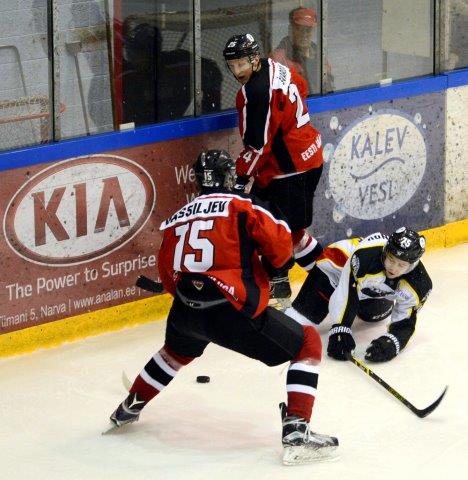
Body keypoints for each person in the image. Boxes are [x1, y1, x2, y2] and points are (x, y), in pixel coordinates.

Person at [107, 149, 338, 465]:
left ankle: (128, 407)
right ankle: (297, 431)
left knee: (173, 354)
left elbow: (167, 270)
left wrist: (191, 300)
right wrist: (270, 269)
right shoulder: (244, 205)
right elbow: (281, 247)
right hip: (232, 310)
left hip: (186, 309)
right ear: (229, 177)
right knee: (307, 343)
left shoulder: (178, 217)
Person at [222, 33, 324, 308]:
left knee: (277, 232)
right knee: (290, 231)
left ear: (255, 59)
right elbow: (302, 87)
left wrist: (241, 177)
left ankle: (281, 289)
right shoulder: (276, 66)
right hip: (308, 157)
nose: (238, 71)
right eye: (232, 66)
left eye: (242, 64)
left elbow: (258, 144)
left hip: (290, 171)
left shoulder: (254, 92)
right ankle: (330, 277)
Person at [285, 228, 432, 362]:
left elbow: (406, 320)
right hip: (337, 269)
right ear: (385, 251)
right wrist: (340, 329)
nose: (393, 268)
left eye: (401, 265)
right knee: (295, 324)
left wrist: (394, 342)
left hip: (366, 288)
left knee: (374, 316)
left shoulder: (420, 284)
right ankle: (301, 241)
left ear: (412, 265)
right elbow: (346, 291)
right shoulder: (365, 257)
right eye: (391, 260)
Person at [270, 6, 334, 95]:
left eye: (308, 29)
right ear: (291, 29)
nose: (304, 34)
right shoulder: (278, 59)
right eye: (300, 29)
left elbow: (329, 89)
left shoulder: (320, 56)